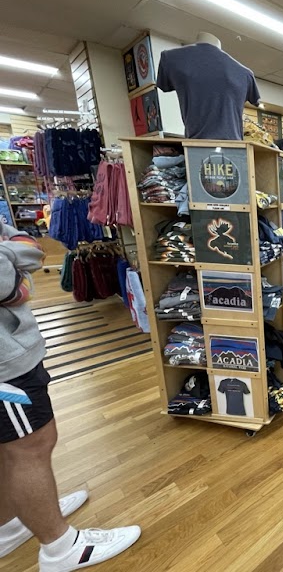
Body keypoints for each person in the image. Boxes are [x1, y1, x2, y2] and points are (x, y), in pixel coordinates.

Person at [0, 220, 140, 571]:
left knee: (12, 445)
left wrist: (15, 256)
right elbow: (7, 275)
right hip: (4, 361)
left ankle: (13, 522)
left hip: (9, 349)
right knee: (30, 445)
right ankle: (60, 548)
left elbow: (28, 248)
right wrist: (12, 259)